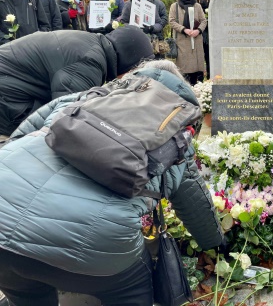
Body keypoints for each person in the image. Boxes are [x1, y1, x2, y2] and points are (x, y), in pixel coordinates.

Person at [0, 59, 224, 305]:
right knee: (133, 289)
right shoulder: (177, 134)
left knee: (24, 291)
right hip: (92, 241)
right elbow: (196, 206)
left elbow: (19, 137)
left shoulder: (85, 97)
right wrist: (216, 244)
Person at [0, 25, 154, 137]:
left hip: (11, 83)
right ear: (128, 62)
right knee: (42, 136)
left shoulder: (91, 44)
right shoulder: (89, 62)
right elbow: (67, 114)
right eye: (134, 71)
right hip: (8, 96)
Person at [169, 0, 207, 85]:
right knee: (184, 73)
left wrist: (198, 30)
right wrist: (184, 29)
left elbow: (204, 20)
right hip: (182, 41)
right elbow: (171, 21)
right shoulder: (174, 6)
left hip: (196, 40)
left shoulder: (197, 6)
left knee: (197, 73)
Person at [197, 0, 211, 78]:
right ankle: (200, 77)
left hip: (209, 38)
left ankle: (210, 75)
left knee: (209, 58)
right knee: (199, 59)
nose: (203, 1)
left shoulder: (211, 8)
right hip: (198, 36)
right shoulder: (196, 8)